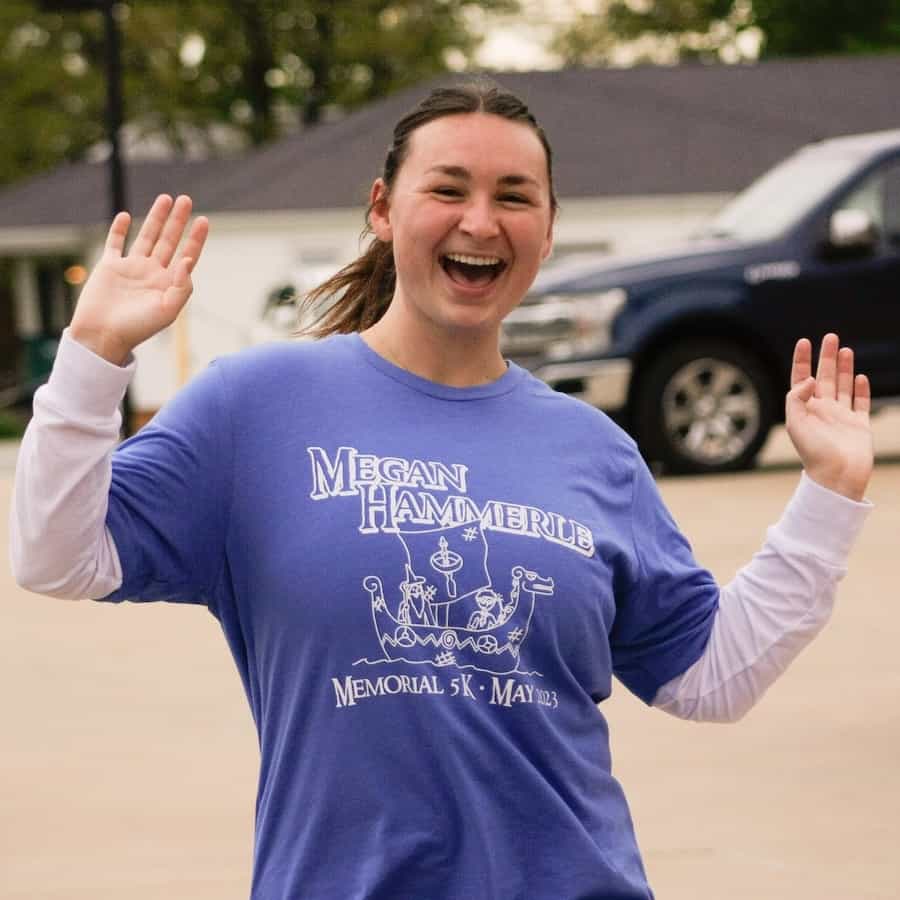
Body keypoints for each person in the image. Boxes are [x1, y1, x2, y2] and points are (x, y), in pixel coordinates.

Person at [10, 80, 873, 900]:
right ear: (383, 209)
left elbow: (710, 677)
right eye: (448, 188)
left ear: (548, 224)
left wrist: (830, 497)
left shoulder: (594, 449)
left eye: (514, 195)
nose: (480, 221)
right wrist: (93, 360)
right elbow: (55, 555)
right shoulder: (254, 408)